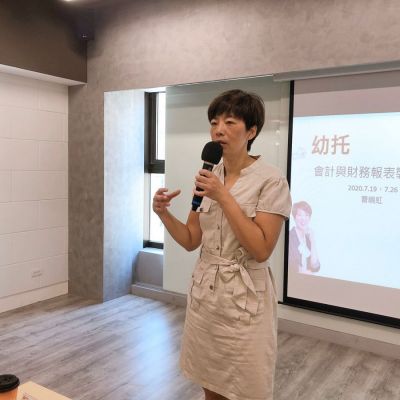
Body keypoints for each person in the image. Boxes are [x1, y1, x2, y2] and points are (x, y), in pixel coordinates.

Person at [153, 89, 292, 400]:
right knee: (210, 384)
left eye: (230, 122)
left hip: (244, 300)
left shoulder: (271, 180)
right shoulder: (209, 174)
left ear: (251, 131)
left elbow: (261, 249)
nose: (219, 130)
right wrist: (163, 214)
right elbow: (191, 239)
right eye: (214, 122)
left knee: (246, 389)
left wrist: (223, 196)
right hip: (206, 297)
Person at [288, 201, 320, 273]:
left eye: (306, 215)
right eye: (299, 215)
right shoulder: (289, 236)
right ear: (294, 217)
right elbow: (290, 265)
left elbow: (315, 266)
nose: (303, 219)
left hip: (306, 279)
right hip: (294, 279)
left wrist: (313, 241)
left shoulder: (308, 238)